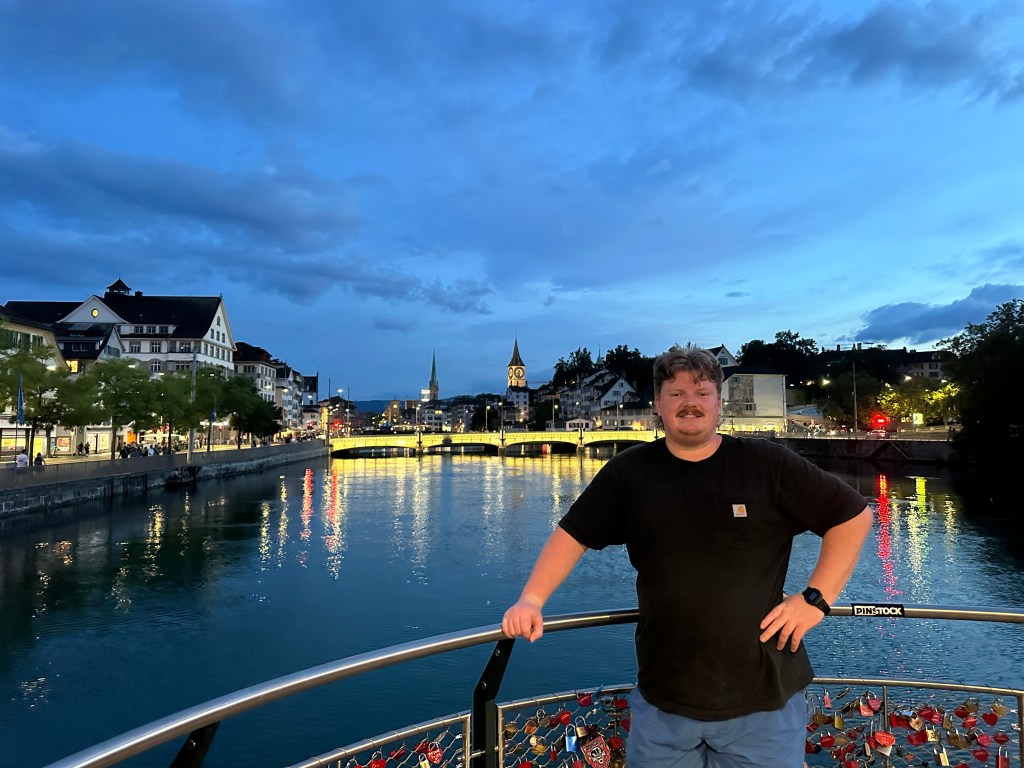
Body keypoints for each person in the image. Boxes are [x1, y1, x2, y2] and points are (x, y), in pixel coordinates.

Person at [501, 345, 872, 768]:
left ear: (719, 403)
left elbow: (852, 516)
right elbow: (572, 535)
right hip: (665, 701)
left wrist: (816, 599)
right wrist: (532, 599)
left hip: (764, 700)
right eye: (675, 393)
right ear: (658, 405)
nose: (689, 402)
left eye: (702, 392)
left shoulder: (765, 462)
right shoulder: (630, 472)